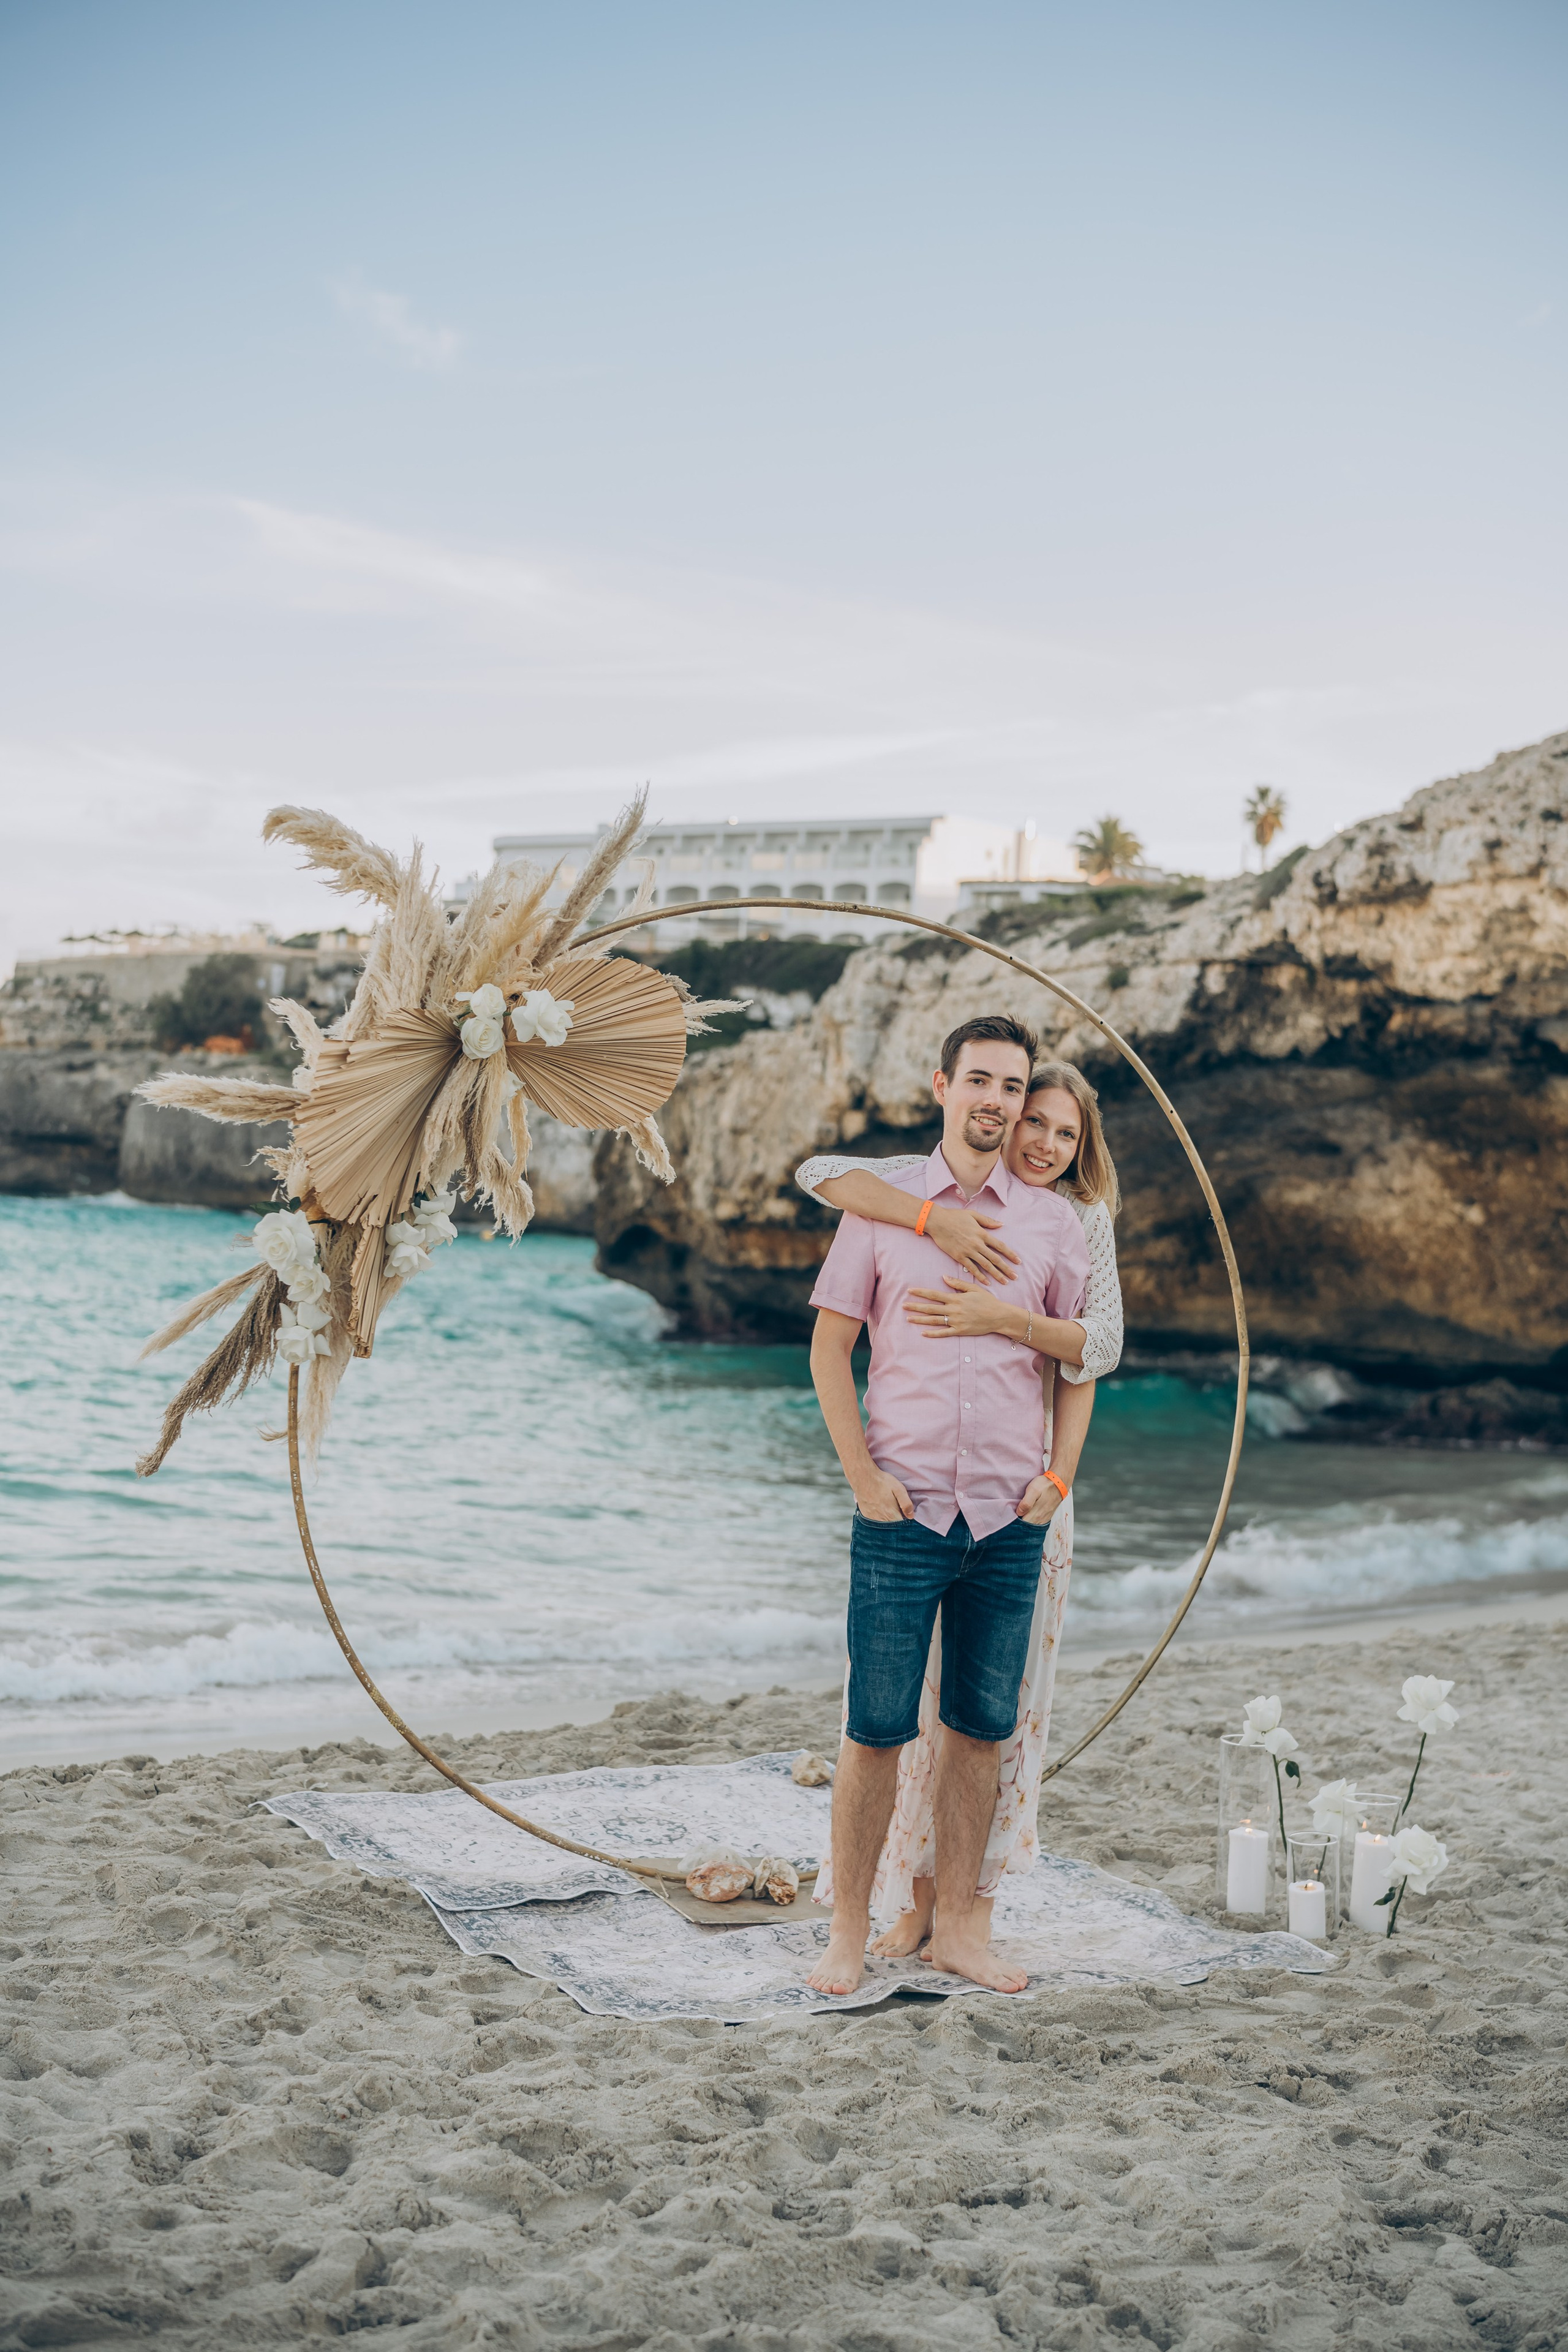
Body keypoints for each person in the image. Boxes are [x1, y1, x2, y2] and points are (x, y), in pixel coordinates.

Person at [797, 1058, 1123, 1967]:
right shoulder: (885, 1205)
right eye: (983, 1082)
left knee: (983, 1730)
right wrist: (862, 1478)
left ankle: (962, 1932)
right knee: (875, 1731)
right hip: (903, 1515)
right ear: (945, 1087)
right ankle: (849, 1931)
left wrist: (1055, 1483)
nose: (1010, 1110)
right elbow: (830, 1350)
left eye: (1017, 1091)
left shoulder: (1060, 1224)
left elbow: (1084, 1362)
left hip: (1008, 1522)